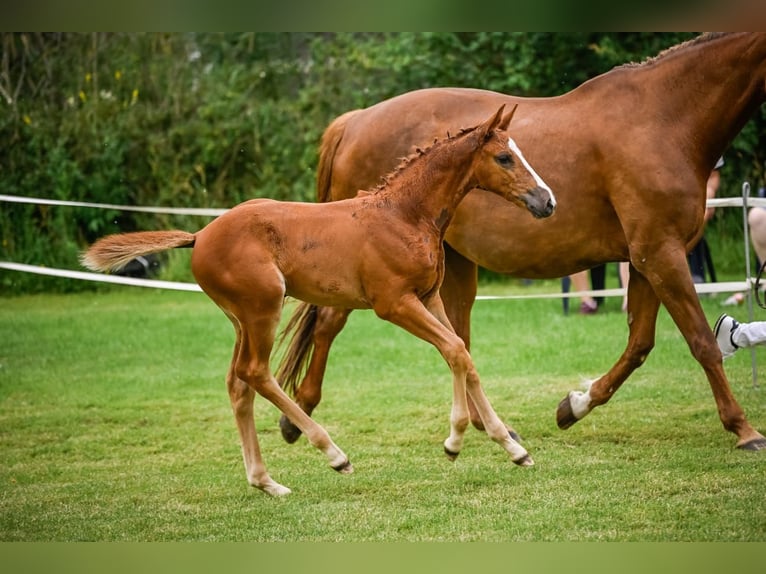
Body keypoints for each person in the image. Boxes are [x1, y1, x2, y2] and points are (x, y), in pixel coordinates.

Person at [688, 158, 724, 283]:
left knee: (700, 214)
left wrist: (709, 193)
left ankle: (694, 276)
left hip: (692, 200)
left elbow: (713, 175)